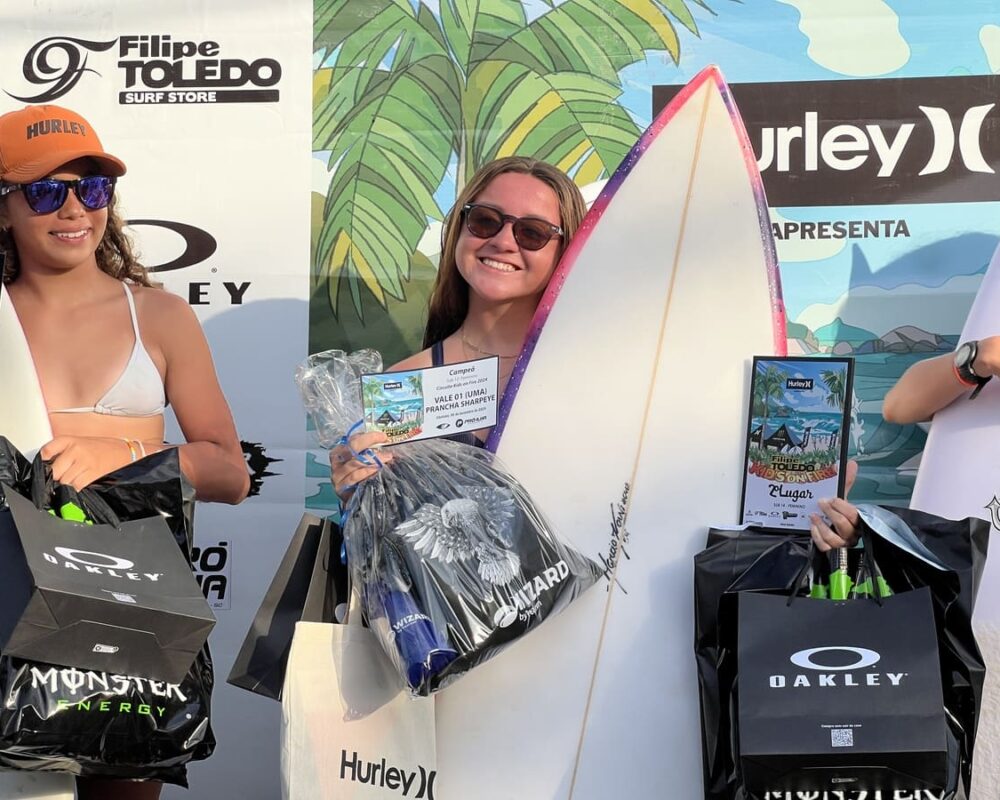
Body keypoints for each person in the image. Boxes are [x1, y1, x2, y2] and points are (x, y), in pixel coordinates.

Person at [0, 104, 249, 799]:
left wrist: (126, 457)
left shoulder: (160, 315)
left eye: (93, 187)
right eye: (47, 191)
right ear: (5, 209)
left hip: (132, 610)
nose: (74, 207)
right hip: (8, 604)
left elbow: (230, 472)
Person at [330, 156, 586, 495]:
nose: (504, 241)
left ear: (565, 250)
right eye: (485, 220)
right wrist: (355, 494)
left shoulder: (589, 379)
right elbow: (386, 534)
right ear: (459, 230)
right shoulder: (403, 388)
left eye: (532, 233)